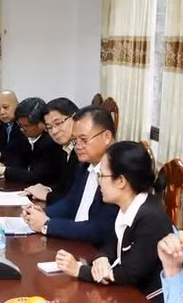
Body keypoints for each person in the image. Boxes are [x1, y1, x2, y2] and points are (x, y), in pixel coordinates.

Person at [53, 142, 183, 303]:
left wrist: (80, 270)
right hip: (135, 297)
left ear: (121, 181)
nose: (99, 182)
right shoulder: (129, 206)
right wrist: (102, 258)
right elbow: (112, 242)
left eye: (102, 176)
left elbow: (129, 274)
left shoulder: (151, 217)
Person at [21, 105, 118, 246]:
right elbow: (71, 202)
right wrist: (43, 212)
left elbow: (100, 229)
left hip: (96, 252)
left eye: (83, 139)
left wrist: (47, 224)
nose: (78, 146)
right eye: (75, 140)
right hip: (74, 239)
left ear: (106, 136)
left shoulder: (118, 171)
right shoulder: (85, 164)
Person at [0, 97, 66, 186]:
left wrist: (4, 170)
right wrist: (2, 165)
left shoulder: (52, 142)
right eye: (20, 125)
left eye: (26, 126)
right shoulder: (24, 136)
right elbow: (15, 160)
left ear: (42, 124)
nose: (22, 129)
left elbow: (37, 176)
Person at [23, 97, 80, 201]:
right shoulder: (65, 148)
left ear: (75, 117)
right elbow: (64, 186)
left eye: (58, 123)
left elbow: (75, 199)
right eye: (49, 127)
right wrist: (47, 189)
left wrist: (48, 195)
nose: (54, 131)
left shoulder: (83, 151)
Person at [0, 90, 29, 167]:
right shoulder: (3, 124)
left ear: (17, 106)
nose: (2, 112)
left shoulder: (25, 126)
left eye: (5, 107)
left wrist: (5, 167)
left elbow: (23, 158)